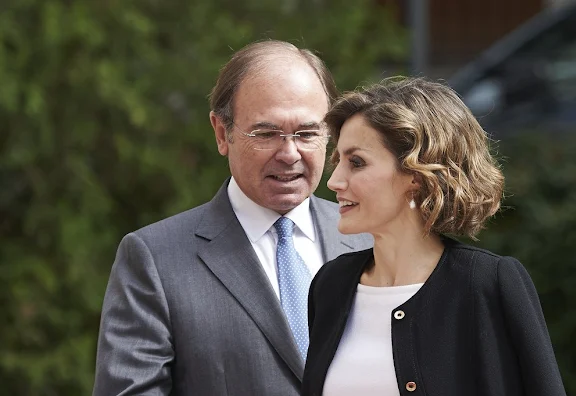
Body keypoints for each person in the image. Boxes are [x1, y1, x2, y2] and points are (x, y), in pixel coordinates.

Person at [92, 40, 372, 396]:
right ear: (222, 133)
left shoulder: (371, 237)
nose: (289, 153)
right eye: (266, 133)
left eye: (306, 133)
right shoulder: (155, 260)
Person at [302, 77, 567, 396]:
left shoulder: (487, 284)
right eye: (338, 162)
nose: (335, 182)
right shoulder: (331, 284)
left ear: (416, 174)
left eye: (356, 163)